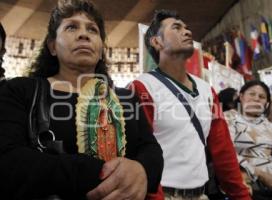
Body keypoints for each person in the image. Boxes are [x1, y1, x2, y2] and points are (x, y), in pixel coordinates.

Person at [0, 0, 163, 199]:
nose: (84, 34)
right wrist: (100, 173)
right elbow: (9, 161)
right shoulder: (20, 90)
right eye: (71, 27)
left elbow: (151, 148)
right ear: (52, 46)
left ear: (102, 49)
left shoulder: (126, 97)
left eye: (93, 30)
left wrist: (142, 170)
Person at [130, 9, 251, 200]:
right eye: (176, 28)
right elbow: (137, 152)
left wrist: (241, 196)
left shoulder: (206, 90)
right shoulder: (142, 87)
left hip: (201, 194)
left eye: (187, 28)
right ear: (157, 41)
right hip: (162, 194)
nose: (188, 32)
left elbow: (223, 151)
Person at [224, 80, 272, 200]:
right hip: (247, 184)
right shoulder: (229, 117)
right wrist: (259, 174)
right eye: (252, 94)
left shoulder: (265, 123)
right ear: (241, 96)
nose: (256, 99)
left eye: (262, 96)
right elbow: (225, 152)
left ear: (266, 103)